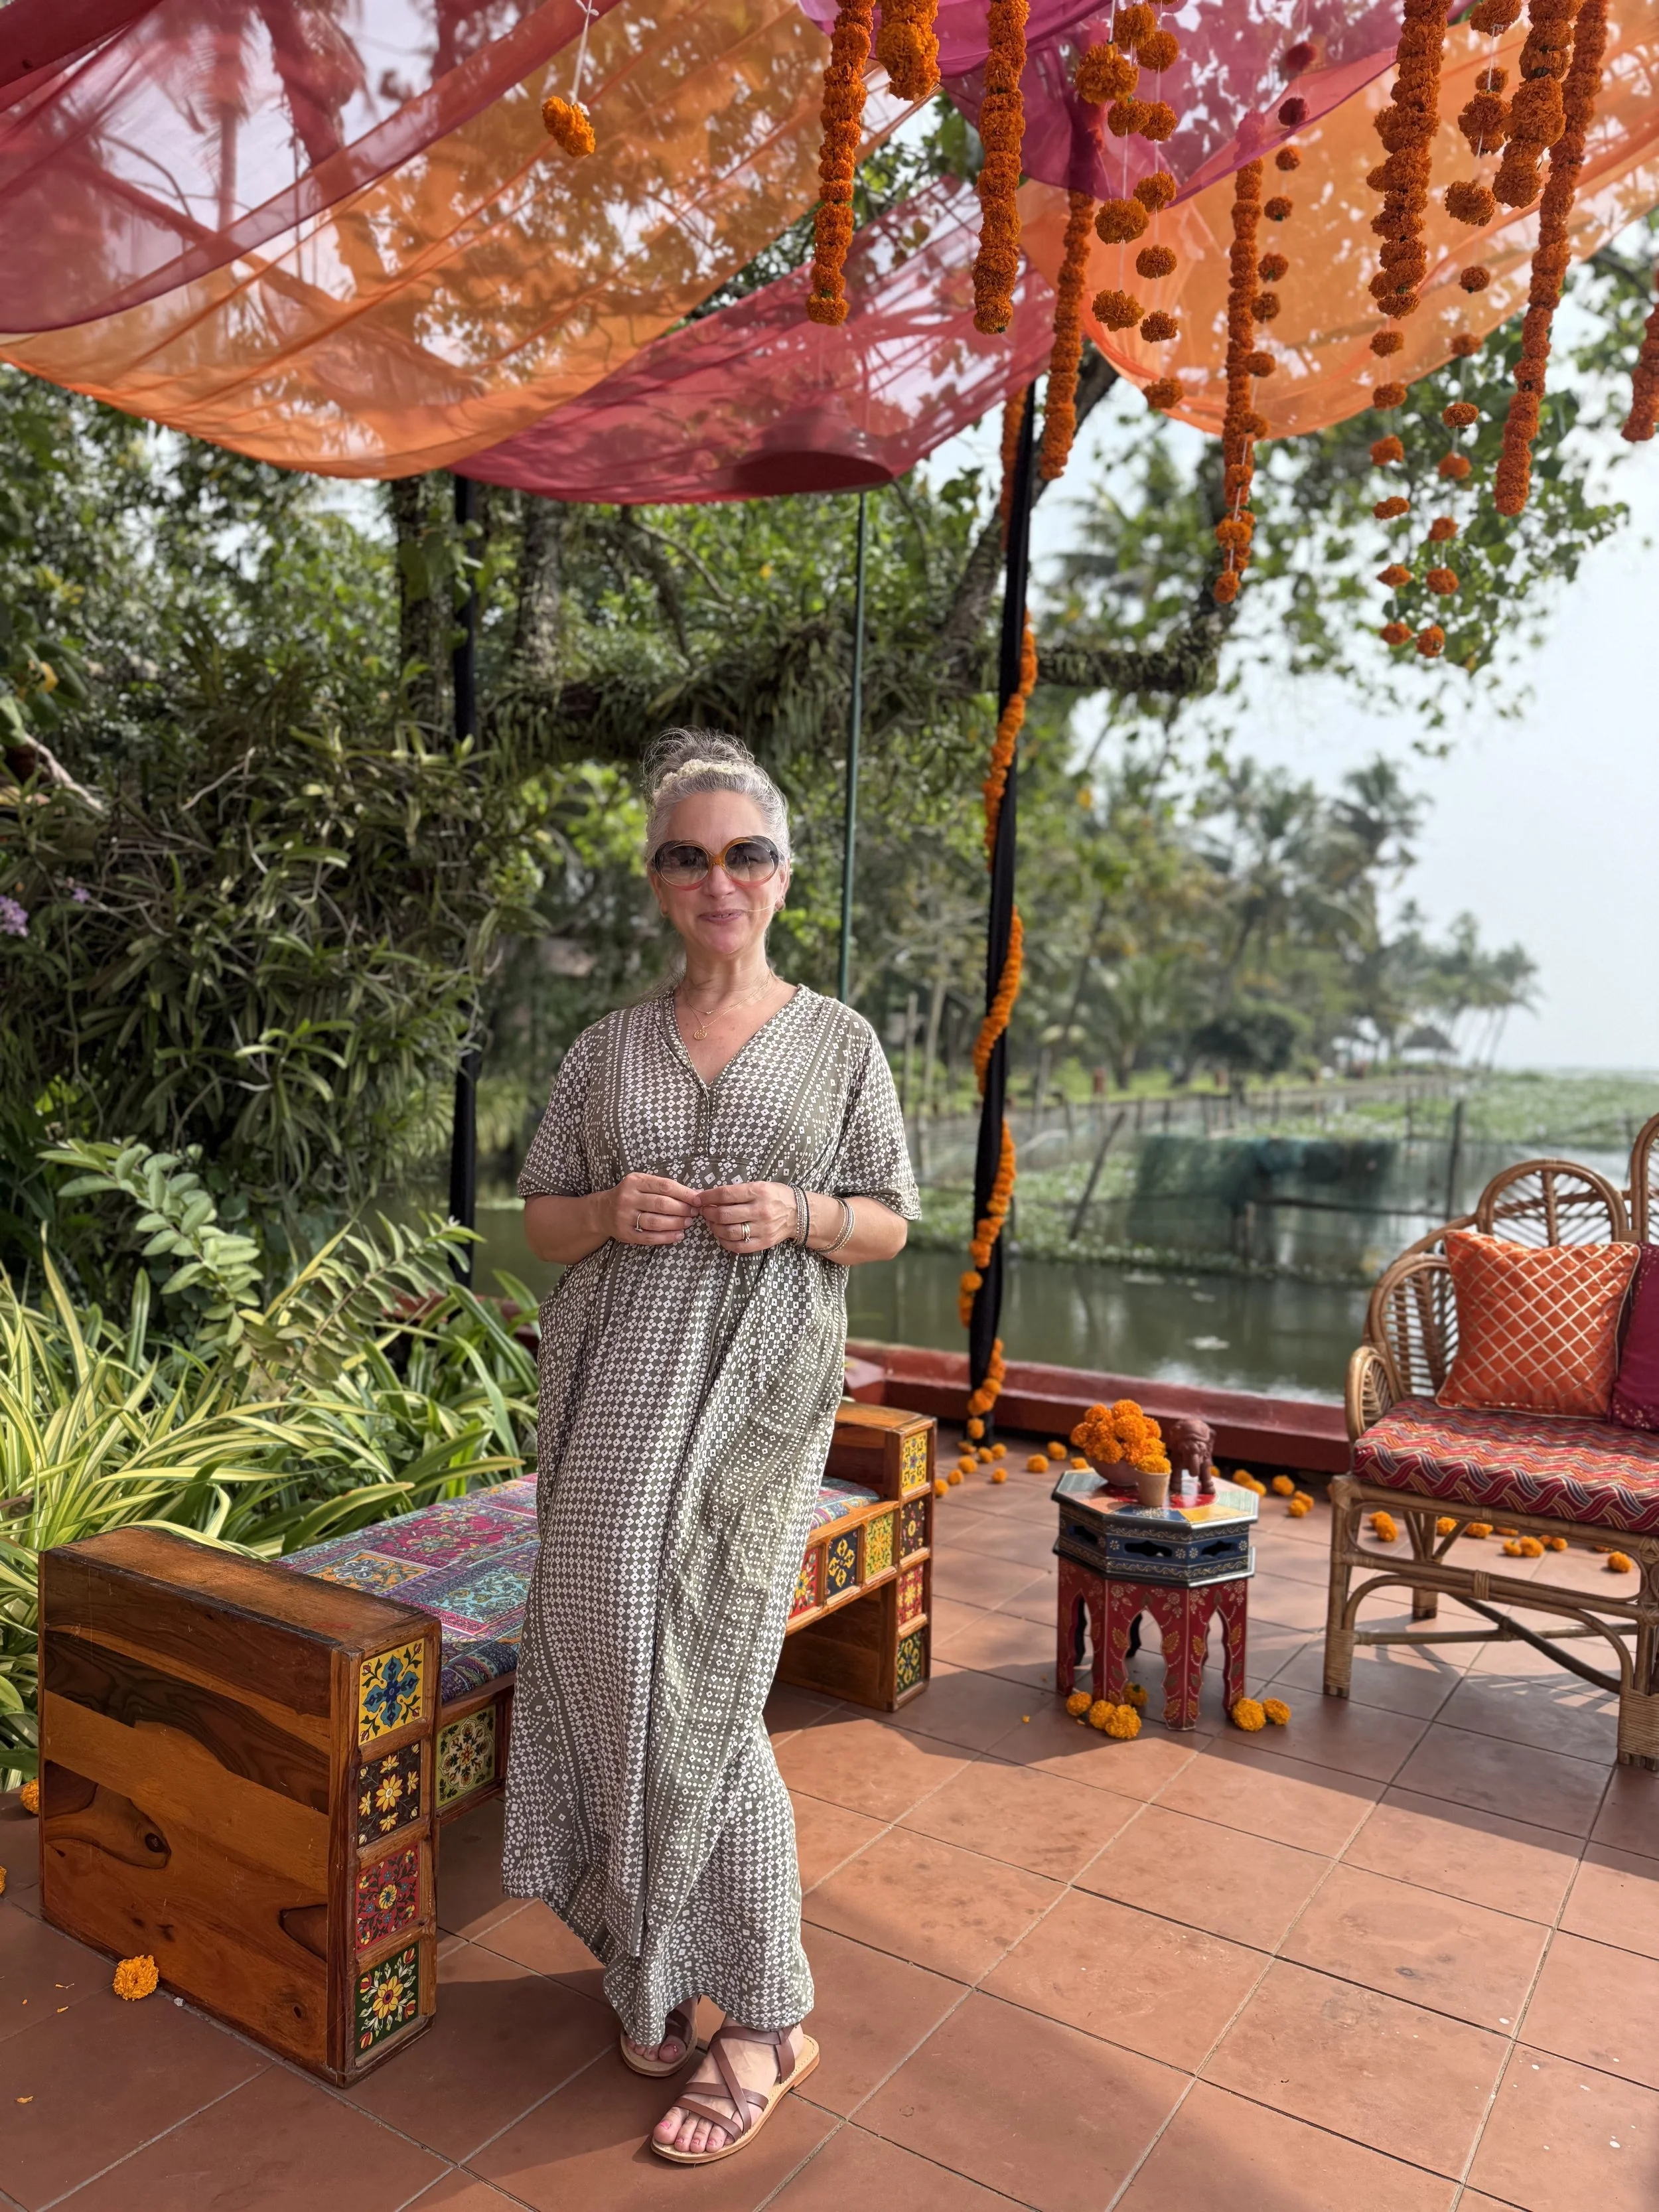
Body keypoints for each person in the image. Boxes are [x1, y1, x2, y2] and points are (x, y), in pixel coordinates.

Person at [505, 729, 918, 2166]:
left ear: (781, 873)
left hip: (751, 1405)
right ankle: (652, 1955)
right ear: (656, 877)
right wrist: (609, 1210)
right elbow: (539, 1219)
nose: (717, 876)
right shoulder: (605, 1046)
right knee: (603, 1637)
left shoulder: (841, 1040)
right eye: (688, 854)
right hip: (614, 1391)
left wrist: (799, 1214)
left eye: (743, 851)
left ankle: (766, 2013)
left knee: (709, 1665)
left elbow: (888, 1218)